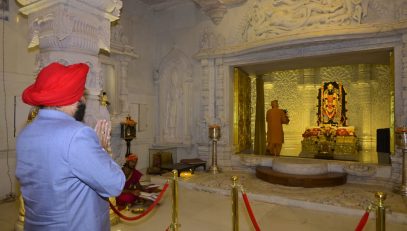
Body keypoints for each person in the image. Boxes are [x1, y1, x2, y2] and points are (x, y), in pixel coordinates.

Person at [16, 62, 125, 231]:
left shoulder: (26, 133)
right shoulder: (77, 135)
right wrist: (102, 150)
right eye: (80, 94)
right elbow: (114, 184)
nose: (82, 99)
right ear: (70, 99)